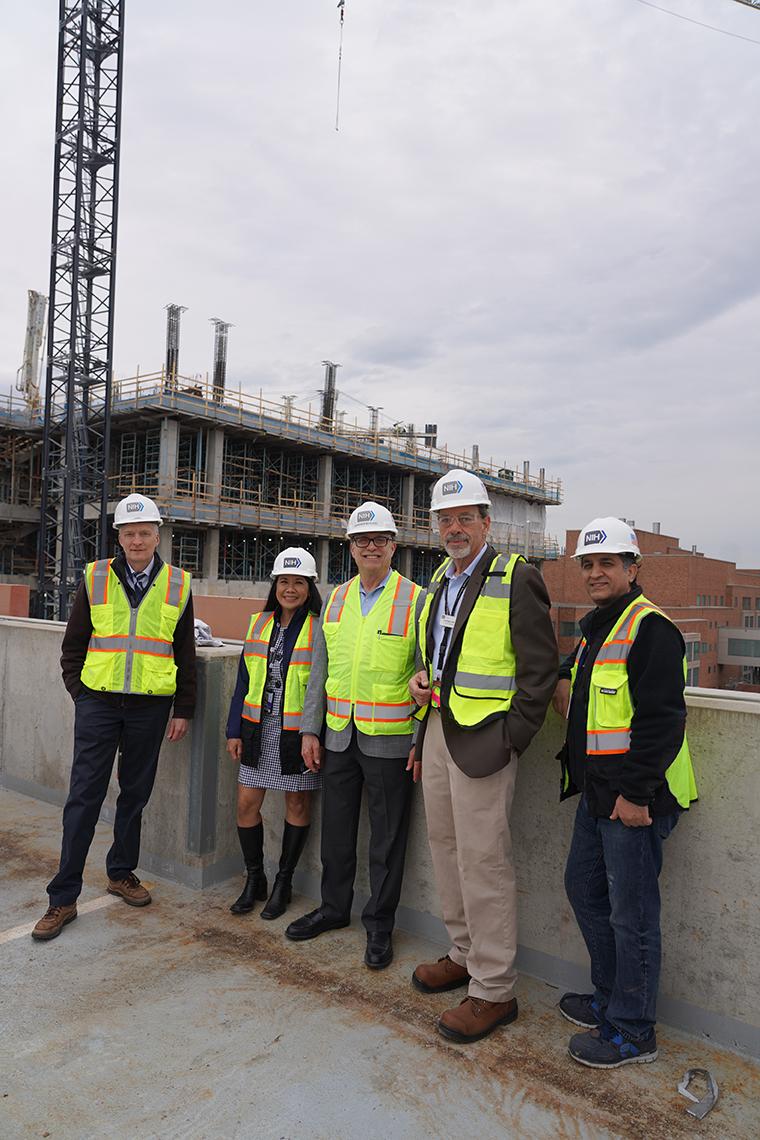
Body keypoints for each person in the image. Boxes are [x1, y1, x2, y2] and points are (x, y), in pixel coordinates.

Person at [409, 469, 557, 1043]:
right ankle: (464, 952)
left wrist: (512, 738)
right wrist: (424, 680)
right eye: (445, 520)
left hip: (486, 742)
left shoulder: (515, 577)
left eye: (464, 518)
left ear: (486, 522)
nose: (453, 528)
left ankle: (494, 989)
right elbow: (442, 655)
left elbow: (540, 670)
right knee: (447, 851)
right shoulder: (440, 582)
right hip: (442, 730)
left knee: (484, 862)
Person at [553, 517, 697, 1068]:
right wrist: (566, 672)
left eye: (607, 563)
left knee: (632, 915)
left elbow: (663, 721)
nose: (595, 572)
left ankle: (633, 1030)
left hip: (633, 801)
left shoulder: (650, 628)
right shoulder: (598, 627)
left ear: (633, 569)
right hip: (598, 797)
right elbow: (585, 673)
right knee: (584, 889)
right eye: (588, 564)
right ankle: (611, 999)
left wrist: (636, 796)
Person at [32, 493, 196, 941]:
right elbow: (74, 644)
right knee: (83, 797)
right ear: (119, 538)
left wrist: (183, 708)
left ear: (157, 535)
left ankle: (121, 872)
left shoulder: (179, 584)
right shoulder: (96, 577)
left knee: (135, 794)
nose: (137, 540)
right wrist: (81, 695)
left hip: (150, 706)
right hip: (100, 704)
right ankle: (62, 897)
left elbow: (185, 652)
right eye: (130, 533)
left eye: (145, 533)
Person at [285, 502, 420, 970]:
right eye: (362, 540)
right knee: (336, 833)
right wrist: (310, 729)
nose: (371, 547)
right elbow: (320, 669)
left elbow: (425, 677)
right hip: (338, 735)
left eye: (380, 539)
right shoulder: (336, 599)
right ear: (351, 548)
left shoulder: (414, 600)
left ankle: (379, 925)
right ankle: (333, 908)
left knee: (387, 840)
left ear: (393, 546)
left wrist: (419, 740)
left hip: (389, 740)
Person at [225, 547, 322, 920]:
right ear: (275, 585)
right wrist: (235, 729)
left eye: (299, 582)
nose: (290, 589)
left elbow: (319, 685)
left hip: (296, 733)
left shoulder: (319, 626)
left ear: (309, 586)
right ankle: (255, 879)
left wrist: (314, 733)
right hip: (256, 729)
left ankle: (284, 882)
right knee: (246, 803)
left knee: (297, 805)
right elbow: (243, 679)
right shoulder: (258, 623)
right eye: (284, 581)